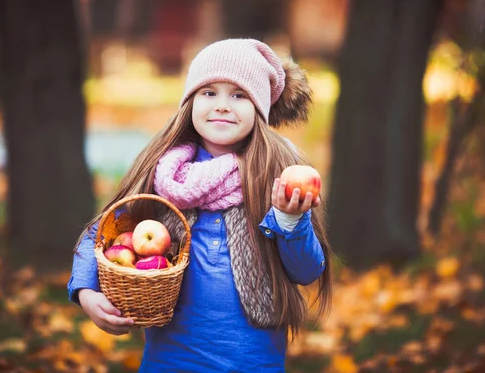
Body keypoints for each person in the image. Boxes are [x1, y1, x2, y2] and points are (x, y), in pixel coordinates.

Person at [68, 38, 336, 372]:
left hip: (252, 361)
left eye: (239, 95)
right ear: (190, 103)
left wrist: (291, 219)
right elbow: (102, 230)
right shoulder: (165, 173)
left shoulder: (277, 178)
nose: (222, 105)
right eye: (209, 93)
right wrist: (85, 292)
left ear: (259, 107)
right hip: (171, 358)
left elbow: (307, 270)